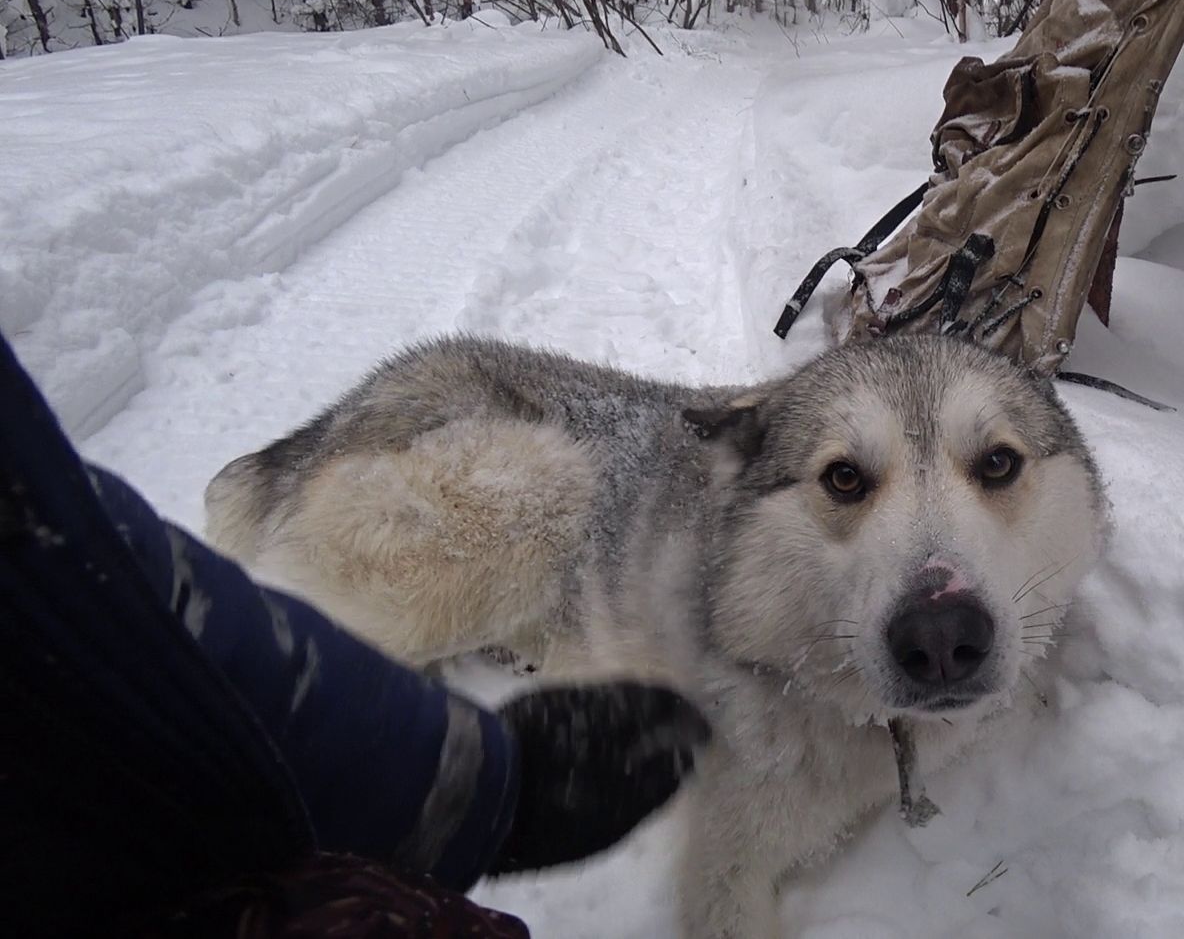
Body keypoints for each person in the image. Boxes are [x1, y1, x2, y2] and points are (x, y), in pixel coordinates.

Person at [0, 331, 708, 937]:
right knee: (535, 503)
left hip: (382, 459)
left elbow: (118, 620)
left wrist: (474, 783)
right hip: (403, 455)